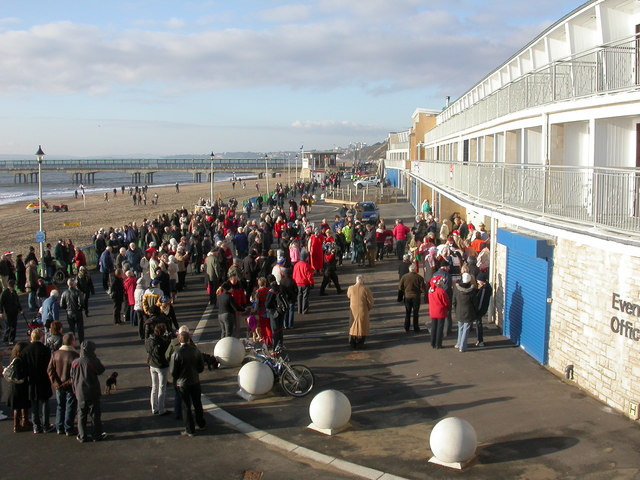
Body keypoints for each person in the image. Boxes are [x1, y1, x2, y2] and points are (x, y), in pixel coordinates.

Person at [170, 331, 205, 437]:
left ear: (179, 340)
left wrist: (178, 378)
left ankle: (190, 429)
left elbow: (173, 371)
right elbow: (201, 366)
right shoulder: (195, 351)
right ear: (189, 339)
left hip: (182, 383)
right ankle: (201, 423)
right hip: (194, 380)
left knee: (186, 406)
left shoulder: (176, 353)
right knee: (197, 403)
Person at [71, 340, 107, 442]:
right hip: (92, 391)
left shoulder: (75, 362)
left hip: (79, 392)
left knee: (81, 414)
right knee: (95, 414)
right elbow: (101, 370)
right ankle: (96, 435)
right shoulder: (92, 361)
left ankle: (82, 435)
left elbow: (72, 376)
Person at [47, 332, 79, 436]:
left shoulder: (55, 354)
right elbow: (75, 374)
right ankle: (68, 428)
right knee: (70, 406)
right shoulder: (74, 355)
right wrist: (67, 383)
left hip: (58, 386)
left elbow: (50, 370)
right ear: (72, 342)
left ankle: (59, 427)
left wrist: (56, 383)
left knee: (60, 405)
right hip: (69, 386)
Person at [23, 328, 53, 433]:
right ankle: (46, 425)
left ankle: (36, 426)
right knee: (45, 403)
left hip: (31, 380)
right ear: (41, 337)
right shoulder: (45, 350)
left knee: (34, 404)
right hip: (44, 379)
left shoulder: (26, 350)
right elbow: (49, 366)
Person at [145, 323, 171, 416]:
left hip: (152, 364)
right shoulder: (162, 342)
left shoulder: (149, 340)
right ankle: (161, 409)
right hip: (161, 366)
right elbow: (167, 349)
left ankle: (154, 408)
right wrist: (168, 338)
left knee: (154, 387)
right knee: (162, 387)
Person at [6, 342, 30, 432]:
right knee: (20, 406)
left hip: (14, 386)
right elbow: (20, 375)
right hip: (19, 386)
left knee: (19, 406)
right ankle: (18, 424)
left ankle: (23, 421)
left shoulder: (13, 358)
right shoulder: (19, 361)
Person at [347, 275, 374, 349]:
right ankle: (360, 343)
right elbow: (370, 301)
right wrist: (369, 307)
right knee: (362, 326)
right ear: (363, 281)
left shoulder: (350, 288)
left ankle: (352, 342)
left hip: (353, 310)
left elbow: (348, 296)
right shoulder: (366, 289)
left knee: (352, 326)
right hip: (363, 310)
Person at [452, 272, 477, 353]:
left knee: (460, 328)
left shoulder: (457, 289)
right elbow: (475, 303)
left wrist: (455, 310)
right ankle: (462, 346)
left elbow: (454, 301)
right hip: (468, 312)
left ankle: (458, 343)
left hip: (459, 311)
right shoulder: (472, 290)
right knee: (466, 329)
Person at [398, 264, 427, 333]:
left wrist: (401, 295)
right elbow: (423, 289)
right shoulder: (419, 278)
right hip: (416, 297)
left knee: (408, 312)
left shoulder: (404, 277)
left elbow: (400, 287)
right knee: (416, 313)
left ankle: (406, 327)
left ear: (409, 269)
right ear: (416, 269)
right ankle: (416, 327)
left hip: (407, 297)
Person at [60, 278, 85, 343]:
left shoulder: (64, 293)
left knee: (71, 329)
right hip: (77, 313)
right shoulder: (78, 292)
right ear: (73, 284)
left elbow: (62, 304)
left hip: (69, 313)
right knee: (80, 329)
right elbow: (81, 303)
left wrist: (67, 309)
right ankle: (81, 343)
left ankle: (71, 343)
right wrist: (79, 308)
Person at [428, 275, 450, 349]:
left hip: (433, 311)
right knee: (440, 328)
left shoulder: (431, 290)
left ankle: (432, 342)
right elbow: (446, 302)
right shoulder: (441, 291)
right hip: (440, 311)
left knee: (434, 327)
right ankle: (438, 344)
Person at [0, 279, 23, 345]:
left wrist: (20, 309)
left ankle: (11, 340)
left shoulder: (14, 292)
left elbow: (17, 301)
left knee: (14, 326)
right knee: (8, 326)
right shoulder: (4, 293)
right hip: (7, 312)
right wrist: (1, 312)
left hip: (14, 312)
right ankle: (6, 339)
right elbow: (1, 303)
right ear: (12, 286)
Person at [474, 272, 493, 347]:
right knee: (478, 323)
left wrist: (477, 310)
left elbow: (481, 300)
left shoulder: (484, 289)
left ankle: (480, 340)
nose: (477, 282)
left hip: (480, 310)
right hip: (483, 308)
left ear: (482, 281)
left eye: (478, 280)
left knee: (478, 324)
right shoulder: (487, 287)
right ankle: (480, 340)